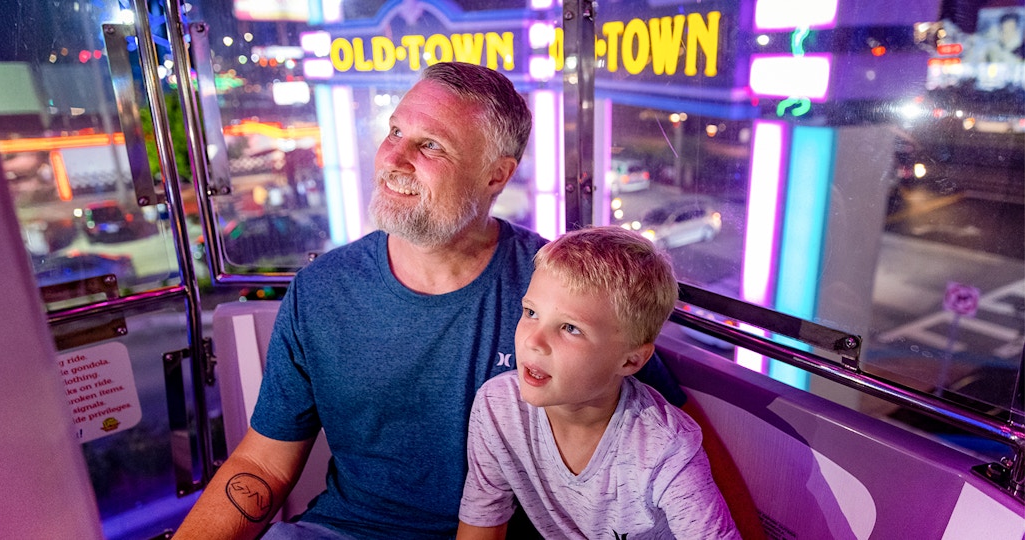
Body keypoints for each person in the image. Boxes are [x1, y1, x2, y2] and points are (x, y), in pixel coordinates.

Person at [174, 63, 685, 540]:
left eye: (430, 146)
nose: (393, 159)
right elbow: (262, 464)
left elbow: (677, 437)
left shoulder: (561, 285)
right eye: (395, 132)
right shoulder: (321, 289)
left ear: (495, 176)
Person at [457, 226, 740, 539]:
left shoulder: (665, 449)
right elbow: (482, 521)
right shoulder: (497, 407)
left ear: (630, 361)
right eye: (531, 312)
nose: (533, 341)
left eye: (570, 328)